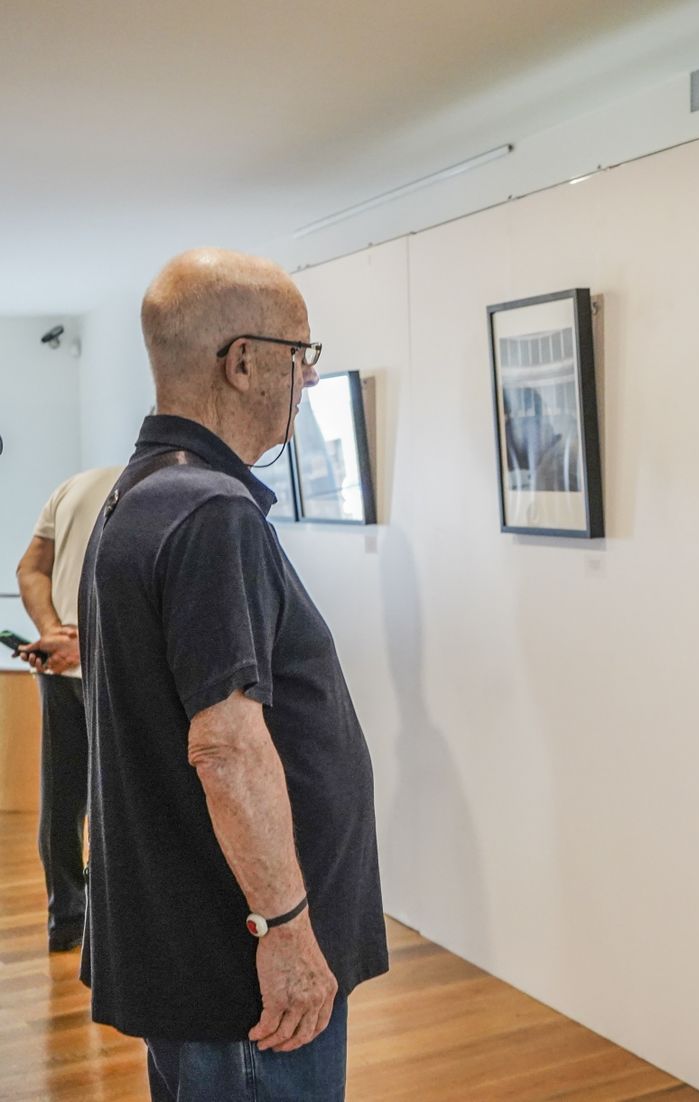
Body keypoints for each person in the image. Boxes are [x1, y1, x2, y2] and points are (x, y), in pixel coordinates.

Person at [78, 248, 387, 1100]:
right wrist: (284, 929)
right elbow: (225, 747)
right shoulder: (210, 512)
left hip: (197, 943)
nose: (310, 378)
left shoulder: (142, 496)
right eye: (301, 354)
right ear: (243, 361)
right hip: (243, 967)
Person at [14, 465, 123, 952]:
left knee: (62, 801)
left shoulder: (73, 485)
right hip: (105, 670)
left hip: (58, 668)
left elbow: (30, 568)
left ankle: (67, 920)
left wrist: (53, 632)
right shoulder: (150, 488)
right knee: (116, 803)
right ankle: (107, 925)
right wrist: (77, 641)